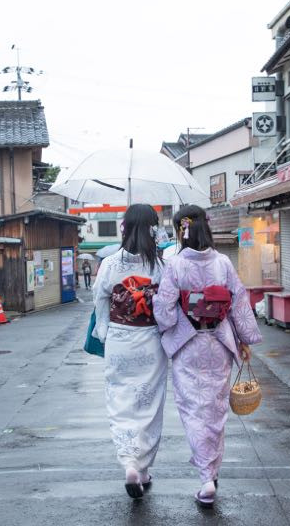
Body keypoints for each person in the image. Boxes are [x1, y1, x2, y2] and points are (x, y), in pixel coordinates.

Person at [153, 204, 261, 508]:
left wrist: (168, 321)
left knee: (192, 410)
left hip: (189, 345)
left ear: (181, 230)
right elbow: (239, 302)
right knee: (215, 410)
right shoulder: (223, 262)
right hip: (218, 344)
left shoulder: (174, 265)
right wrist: (244, 339)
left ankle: (205, 478)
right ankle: (211, 473)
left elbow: (164, 310)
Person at [92, 204, 166, 499]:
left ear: (125, 227)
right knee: (149, 403)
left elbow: (99, 300)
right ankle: (144, 467)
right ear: (151, 228)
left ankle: (130, 464)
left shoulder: (110, 263)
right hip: (149, 338)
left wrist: (106, 333)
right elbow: (168, 305)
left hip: (120, 340)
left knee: (121, 401)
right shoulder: (159, 266)